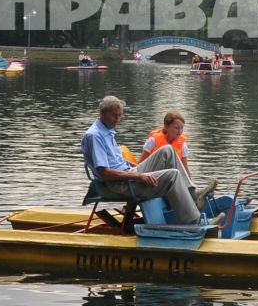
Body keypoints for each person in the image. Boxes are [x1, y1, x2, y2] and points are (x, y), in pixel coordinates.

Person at [83, 95, 213, 224]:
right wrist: (139, 175)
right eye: (114, 115)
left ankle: (193, 197)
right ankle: (195, 222)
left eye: (120, 115)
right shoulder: (95, 136)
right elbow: (105, 174)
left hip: (128, 173)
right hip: (119, 183)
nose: (117, 119)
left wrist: (137, 170)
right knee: (173, 175)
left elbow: (117, 162)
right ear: (102, 113)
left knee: (168, 150)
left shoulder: (107, 130)